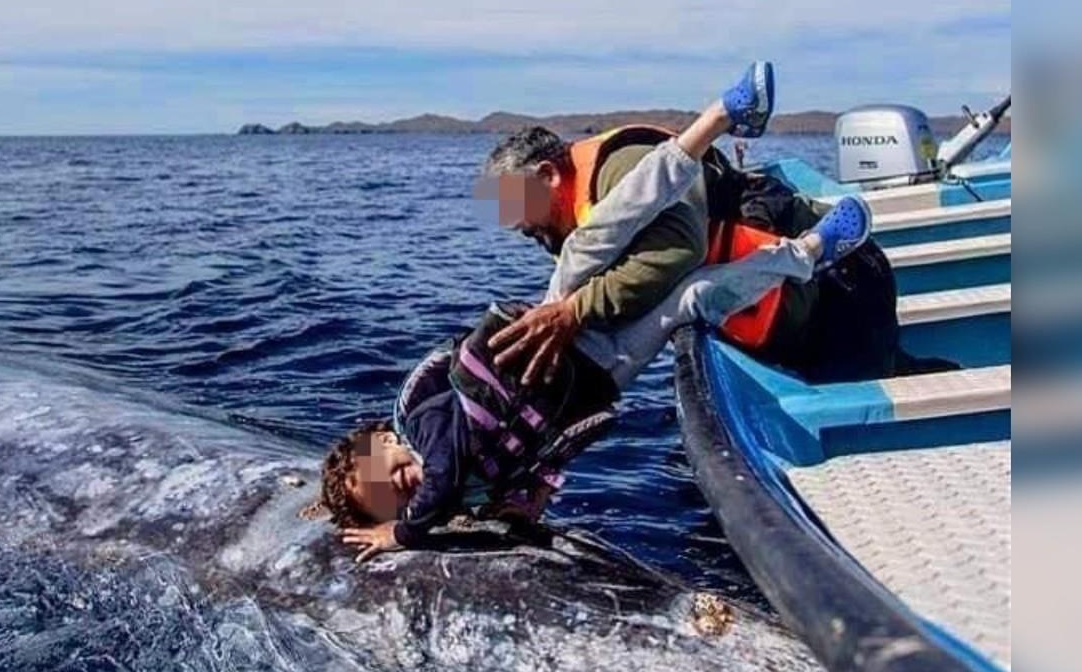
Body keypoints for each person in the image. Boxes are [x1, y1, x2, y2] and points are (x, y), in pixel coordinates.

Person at [321, 63, 873, 560]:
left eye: (395, 476)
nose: (410, 486)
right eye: (399, 501)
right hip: (604, 375)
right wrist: (531, 497)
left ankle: (723, 113)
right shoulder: (475, 488)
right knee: (696, 302)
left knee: (593, 239)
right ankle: (812, 251)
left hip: (559, 330)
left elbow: (441, 472)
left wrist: (404, 533)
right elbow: (546, 447)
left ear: (386, 440)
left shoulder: (422, 428)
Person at [479, 65, 903, 388]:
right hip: (776, 309)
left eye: (515, 202)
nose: (514, 222)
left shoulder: (618, 173)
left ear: (549, 176)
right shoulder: (569, 227)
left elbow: (680, 249)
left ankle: (723, 117)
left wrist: (574, 311)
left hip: (839, 286)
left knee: (864, 408)